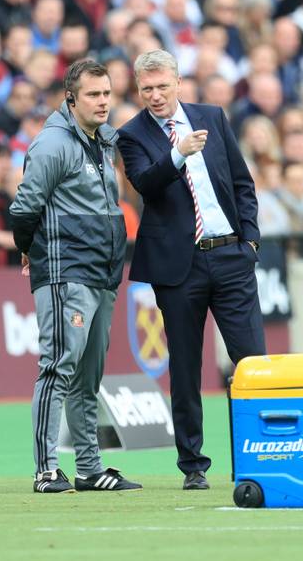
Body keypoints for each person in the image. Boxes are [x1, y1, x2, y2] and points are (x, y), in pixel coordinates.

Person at [116, 50, 265, 491]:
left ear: (179, 82)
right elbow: (143, 184)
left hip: (231, 257)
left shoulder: (212, 116)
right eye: (147, 89)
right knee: (184, 368)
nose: (156, 95)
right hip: (178, 267)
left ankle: (258, 455)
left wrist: (250, 240)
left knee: (252, 362)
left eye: (163, 86)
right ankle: (194, 465)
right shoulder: (132, 134)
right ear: (138, 91)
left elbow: (241, 181)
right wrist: (178, 153)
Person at [9, 59, 140, 494]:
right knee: (59, 367)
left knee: (88, 375)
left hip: (103, 271)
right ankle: (46, 469)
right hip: (66, 270)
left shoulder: (104, 140)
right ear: (71, 98)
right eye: (93, 95)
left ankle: (89, 467)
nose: (104, 102)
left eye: (107, 94)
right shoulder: (51, 144)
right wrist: (29, 250)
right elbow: (25, 207)